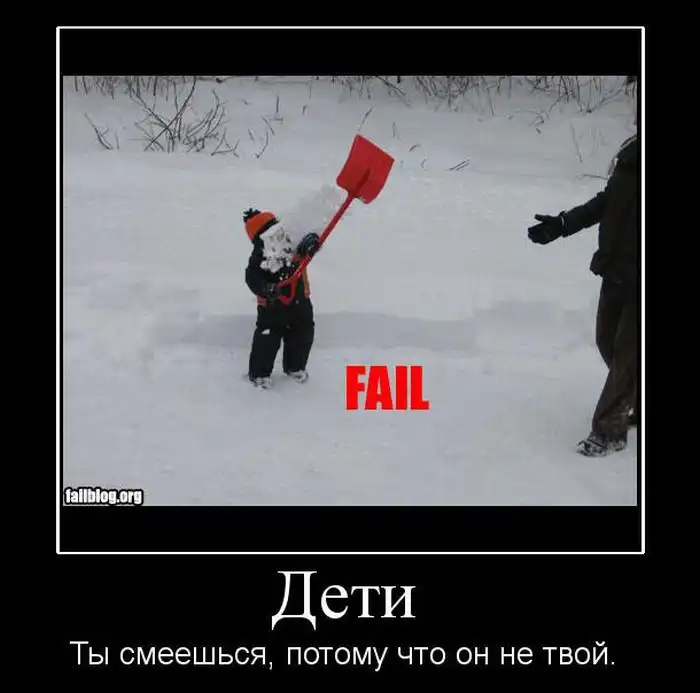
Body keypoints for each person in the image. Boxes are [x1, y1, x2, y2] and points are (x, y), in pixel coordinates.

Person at [527, 129, 639, 456]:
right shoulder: (632, 150)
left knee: (627, 353)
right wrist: (562, 225)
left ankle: (608, 431)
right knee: (607, 342)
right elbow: (607, 201)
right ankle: (631, 399)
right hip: (617, 268)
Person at [243, 208, 321, 389]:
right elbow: (252, 277)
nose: (276, 235)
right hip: (272, 306)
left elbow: (308, 247)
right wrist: (265, 288)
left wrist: (312, 243)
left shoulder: (292, 244)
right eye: (269, 233)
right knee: (267, 339)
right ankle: (260, 374)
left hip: (299, 301)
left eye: (276, 229)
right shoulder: (259, 256)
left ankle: (295, 367)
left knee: (302, 334)